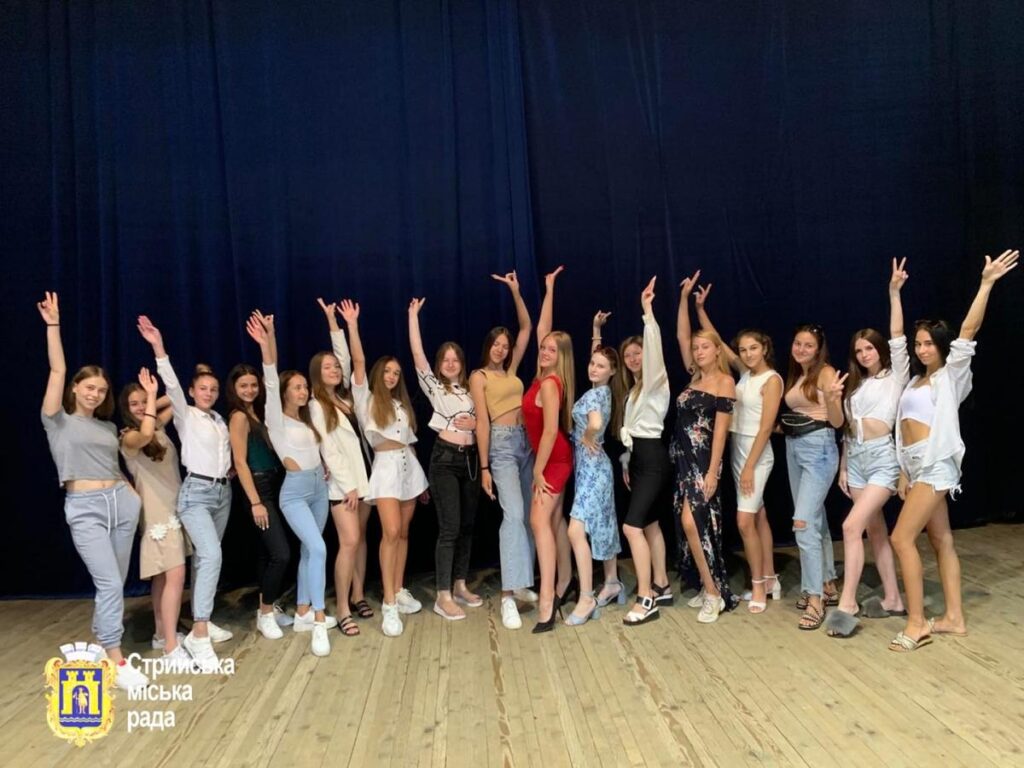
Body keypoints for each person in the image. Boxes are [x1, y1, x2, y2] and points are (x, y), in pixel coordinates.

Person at [889, 249, 1018, 651]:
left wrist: (986, 283)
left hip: (936, 465)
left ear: (941, 345)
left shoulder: (951, 377)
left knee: (900, 539)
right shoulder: (912, 381)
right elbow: (895, 342)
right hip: (916, 465)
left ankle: (917, 623)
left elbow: (969, 330)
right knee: (941, 540)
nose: (921, 349)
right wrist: (894, 294)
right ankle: (954, 618)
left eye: (928, 343)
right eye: (919, 344)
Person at [39, 292, 148, 691]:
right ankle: (115, 661)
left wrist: (131, 495)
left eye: (101, 390)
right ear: (75, 388)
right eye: (89, 387)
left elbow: (115, 465)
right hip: (85, 508)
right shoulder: (57, 421)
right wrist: (54, 325)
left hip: (121, 504)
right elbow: (57, 369)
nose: (95, 394)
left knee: (114, 583)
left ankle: (104, 647)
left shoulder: (107, 427)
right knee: (109, 583)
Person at [138, 315, 234, 670]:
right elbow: (171, 381)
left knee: (205, 560)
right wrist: (158, 346)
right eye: (202, 389)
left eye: (213, 389)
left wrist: (227, 469)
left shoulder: (219, 420)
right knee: (211, 555)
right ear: (192, 392)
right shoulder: (185, 413)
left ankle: (199, 620)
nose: (208, 393)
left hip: (222, 493)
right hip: (196, 493)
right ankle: (200, 632)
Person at [826, 259, 911, 637]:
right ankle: (893, 598)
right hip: (857, 459)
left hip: (882, 459)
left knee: (850, 526)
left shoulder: (896, 376)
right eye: (859, 350)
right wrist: (844, 466)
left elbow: (898, 334)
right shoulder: (855, 387)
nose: (864, 354)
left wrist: (893, 293)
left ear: (879, 349)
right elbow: (841, 427)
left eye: (869, 348)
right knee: (875, 531)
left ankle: (847, 604)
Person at [246, 310, 333, 656]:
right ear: (284, 392)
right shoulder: (275, 420)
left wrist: (323, 467)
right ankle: (319, 621)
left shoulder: (308, 418)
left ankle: (302, 611)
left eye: (304, 386)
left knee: (311, 551)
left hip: (318, 489)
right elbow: (270, 377)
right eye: (297, 386)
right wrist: (267, 340)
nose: (303, 390)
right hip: (294, 493)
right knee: (319, 549)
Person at [342, 299, 429, 638]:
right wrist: (352, 325)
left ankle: (398, 588)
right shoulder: (365, 398)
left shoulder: (400, 403)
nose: (392, 376)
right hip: (386, 470)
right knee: (390, 532)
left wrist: (421, 481)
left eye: (396, 373)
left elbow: (409, 441)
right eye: (387, 371)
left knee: (404, 533)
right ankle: (389, 604)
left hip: (410, 469)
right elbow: (358, 361)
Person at [695, 287, 783, 613]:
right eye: (743, 350)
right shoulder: (745, 374)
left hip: (756, 454)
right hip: (738, 449)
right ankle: (771, 578)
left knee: (744, 521)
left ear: (765, 348)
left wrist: (748, 467)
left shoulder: (772, 380)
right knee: (758, 516)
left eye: (753, 348)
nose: (747, 354)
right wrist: (700, 309)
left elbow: (766, 428)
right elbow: (717, 340)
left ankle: (758, 585)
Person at [468, 271, 538, 630]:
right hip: (501, 445)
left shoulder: (511, 371)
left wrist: (515, 291)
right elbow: (481, 422)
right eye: (496, 344)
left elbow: (526, 328)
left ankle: (523, 583)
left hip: (527, 442)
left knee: (528, 516)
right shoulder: (479, 376)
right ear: (488, 346)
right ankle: (508, 595)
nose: (502, 348)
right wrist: (484, 468)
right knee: (512, 515)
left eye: (505, 345)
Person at [408, 298, 483, 621]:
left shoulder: (472, 388)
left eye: (455, 359)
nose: (451, 364)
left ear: (462, 364)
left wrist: (477, 423)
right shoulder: (435, 388)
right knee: (450, 527)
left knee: (467, 526)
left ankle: (460, 584)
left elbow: (487, 421)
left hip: (471, 461)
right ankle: (443, 595)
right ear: (439, 364)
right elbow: (417, 355)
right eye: (445, 359)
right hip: (445, 460)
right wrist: (413, 316)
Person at [673, 271, 737, 624]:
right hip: (682, 459)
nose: (698, 351)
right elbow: (681, 336)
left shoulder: (725, 382)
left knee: (692, 522)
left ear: (717, 350)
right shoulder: (693, 377)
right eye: (696, 348)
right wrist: (684, 299)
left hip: (704, 461)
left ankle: (714, 592)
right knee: (691, 525)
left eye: (704, 347)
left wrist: (713, 472)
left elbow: (722, 433)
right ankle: (705, 584)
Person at [310, 299, 376, 638]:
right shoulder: (316, 405)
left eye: (336, 367)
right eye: (328, 368)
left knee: (360, 539)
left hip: (365, 480)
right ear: (317, 374)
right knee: (348, 542)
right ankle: (341, 609)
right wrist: (347, 484)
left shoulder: (347, 398)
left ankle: (358, 594)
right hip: (343, 487)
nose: (335, 370)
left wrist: (344, 324)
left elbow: (350, 360)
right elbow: (328, 449)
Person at [615, 277, 673, 626]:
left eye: (638, 353)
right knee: (649, 523)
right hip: (638, 459)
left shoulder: (655, 380)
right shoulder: (634, 391)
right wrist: (626, 461)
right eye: (628, 355)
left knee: (631, 527)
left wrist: (647, 313)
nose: (633, 358)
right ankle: (662, 584)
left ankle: (646, 596)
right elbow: (631, 434)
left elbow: (653, 348)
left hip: (652, 459)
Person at [119, 369, 190, 659]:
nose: (140, 407)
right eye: (133, 404)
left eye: (142, 402)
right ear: (125, 409)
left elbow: (175, 398)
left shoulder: (157, 425)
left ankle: (162, 634)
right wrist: (149, 396)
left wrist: (152, 398)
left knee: (163, 578)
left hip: (174, 506)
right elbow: (145, 432)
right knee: (175, 575)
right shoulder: (128, 437)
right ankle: (171, 646)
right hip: (157, 513)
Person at [782, 323, 847, 630]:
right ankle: (827, 582)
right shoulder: (799, 374)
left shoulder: (825, 373)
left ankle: (815, 598)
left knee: (803, 523)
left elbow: (837, 421)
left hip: (818, 447)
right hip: (794, 447)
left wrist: (832, 399)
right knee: (815, 520)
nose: (801, 349)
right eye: (798, 343)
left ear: (819, 349)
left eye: (808, 345)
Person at [226, 363, 294, 640]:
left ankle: (267, 607)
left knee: (267, 553)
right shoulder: (238, 417)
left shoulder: (258, 412)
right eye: (243, 385)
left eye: (253, 385)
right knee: (281, 554)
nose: (250, 390)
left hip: (275, 482)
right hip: (259, 488)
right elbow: (240, 462)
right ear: (234, 388)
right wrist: (255, 502)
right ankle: (265, 613)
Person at [524, 266, 575, 633]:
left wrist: (538, 470)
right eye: (543, 348)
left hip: (553, 458)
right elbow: (544, 329)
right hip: (551, 457)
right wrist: (550, 289)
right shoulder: (543, 376)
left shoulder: (550, 383)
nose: (544, 351)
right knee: (554, 523)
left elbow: (551, 430)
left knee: (538, 521)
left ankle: (547, 600)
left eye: (551, 350)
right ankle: (564, 582)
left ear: (561, 356)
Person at [565, 334, 622, 626]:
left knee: (576, 530)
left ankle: (587, 597)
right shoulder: (602, 391)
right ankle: (611, 581)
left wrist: (589, 433)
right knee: (603, 524)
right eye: (592, 363)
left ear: (612, 371)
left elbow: (596, 422)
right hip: (595, 469)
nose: (594, 368)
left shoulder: (595, 396)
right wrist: (596, 331)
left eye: (601, 366)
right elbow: (598, 364)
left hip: (593, 469)